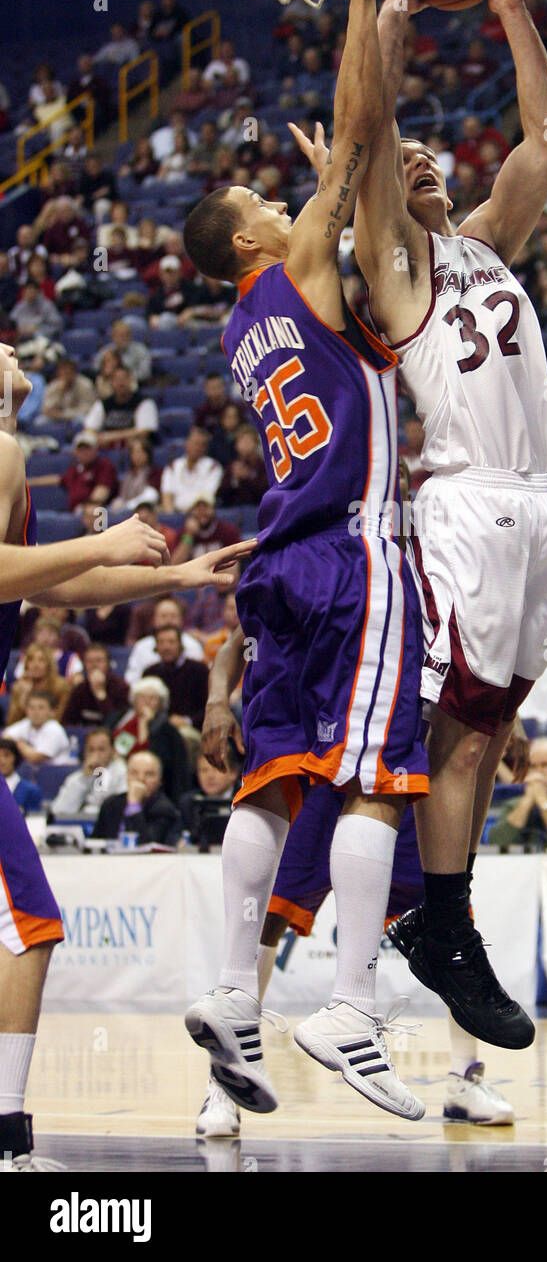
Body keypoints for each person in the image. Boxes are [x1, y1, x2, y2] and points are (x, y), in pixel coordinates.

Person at [180, 0, 430, 1120]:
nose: (275, 196)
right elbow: (360, 133)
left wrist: (339, 179)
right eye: (255, 194)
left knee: (272, 782)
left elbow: (345, 172)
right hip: (353, 549)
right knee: (382, 774)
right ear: (246, 237)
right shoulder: (297, 264)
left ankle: (234, 993)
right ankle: (351, 1007)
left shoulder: (242, 325)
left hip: (277, 563)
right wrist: (369, 2)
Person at [346, 0, 547, 1049]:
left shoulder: (487, 242)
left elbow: (544, 136)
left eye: (439, 156)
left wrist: (513, 13)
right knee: (466, 723)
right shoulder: (396, 269)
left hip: (541, 503)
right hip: (470, 502)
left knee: (493, 728)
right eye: (412, 161)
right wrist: (390, 15)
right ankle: (438, 919)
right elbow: (372, 130)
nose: (426, 163)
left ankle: (440, 913)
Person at [0, 348, 253, 1173]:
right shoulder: (1, 452)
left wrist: (176, 574)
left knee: (26, 927)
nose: (14, 350)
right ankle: (7, 1142)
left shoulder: (8, 455)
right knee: (30, 923)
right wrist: (102, 536)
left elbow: (39, 590)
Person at [195, 628, 514, 1135]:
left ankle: (463, 1078)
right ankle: (227, 1080)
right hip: (320, 763)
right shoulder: (319, 559)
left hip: (399, 763)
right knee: (267, 916)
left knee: (447, 919)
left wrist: (492, 721)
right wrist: (217, 701)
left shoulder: (420, 561)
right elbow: (240, 637)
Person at [92, 750, 183, 847]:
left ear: (159, 781)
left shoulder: (164, 809)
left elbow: (147, 846)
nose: (141, 779)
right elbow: (95, 843)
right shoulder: (111, 805)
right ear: (127, 776)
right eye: (134, 773)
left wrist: (134, 805)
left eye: (149, 774)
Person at [124, 595, 206, 686]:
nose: (168, 620)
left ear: (181, 619)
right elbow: (132, 679)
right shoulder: (141, 646)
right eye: (163, 616)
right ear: (154, 620)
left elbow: (199, 678)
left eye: (173, 616)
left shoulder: (192, 645)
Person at [142, 624, 209, 733]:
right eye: (161, 642)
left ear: (180, 645)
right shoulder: (149, 673)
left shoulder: (199, 670)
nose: (166, 647)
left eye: (171, 642)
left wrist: (187, 721)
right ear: (156, 647)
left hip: (194, 728)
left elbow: (208, 706)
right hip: (157, 728)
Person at [50, 728, 127, 819]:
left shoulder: (123, 774)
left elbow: (120, 810)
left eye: (101, 749)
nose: (96, 755)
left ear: (113, 751)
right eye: (91, 750)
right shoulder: (76, 778)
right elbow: (59, 811)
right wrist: (85, 780)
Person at [82, 365, 159, 449]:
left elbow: (144, 431)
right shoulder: (103, 404)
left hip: (135, 448)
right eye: (117, 380)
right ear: (111, 382)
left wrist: (112, 437)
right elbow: (89, 429)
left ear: (131, 380)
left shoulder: (145, 402)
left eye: (124, 379)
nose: (120, 383)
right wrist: (98, 437)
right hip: (108, 448)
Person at [61, 643, 129, 726]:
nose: (94, 665)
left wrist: (101, 694)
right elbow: (67, 721)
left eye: (99, 661)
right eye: (89, 661)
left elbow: (117, 723)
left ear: (107, 663)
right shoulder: (80, 689)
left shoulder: (120, 687)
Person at [159, 428, 224, 514]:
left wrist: (189, 516)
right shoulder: (173, 466)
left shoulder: (213, 468)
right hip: (175, 515)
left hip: (198, 515)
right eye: (195, 443)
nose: (197, 447)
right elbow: (166, 495)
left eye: (202, 445)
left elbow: (206, 498)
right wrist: (172, 517)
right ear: (186, 443)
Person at [3, 692, 72, 766]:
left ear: (52, 712)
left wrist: (19, 743)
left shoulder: (54, 729)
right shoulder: (27, 723)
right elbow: (5, 737)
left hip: (55, 772)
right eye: (31, 708)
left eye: (41, 708)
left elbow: (35, 758)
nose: (35, 712)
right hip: (33, 771)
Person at [0, 739, 42, 815]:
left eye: (6, 755)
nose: (2, 761)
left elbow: (36, 821)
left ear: (15, 758)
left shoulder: (31, 790)